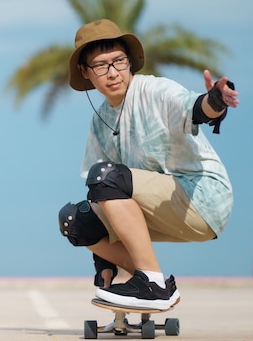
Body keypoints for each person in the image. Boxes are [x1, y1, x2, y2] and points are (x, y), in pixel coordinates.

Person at [58, 19, 239, 310]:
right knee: (76, 220)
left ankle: (151, 284)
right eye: (101, 65)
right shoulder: (100, 121)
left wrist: (215, 100)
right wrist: (104, 264)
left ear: (130, 62)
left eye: (119, 61)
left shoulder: (154, 91)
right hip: (160, 209)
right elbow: (102, 199)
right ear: (85, 72)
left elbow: (196, 108)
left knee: (105, 176)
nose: (113, 72)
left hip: (201, 199)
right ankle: (147, 283)